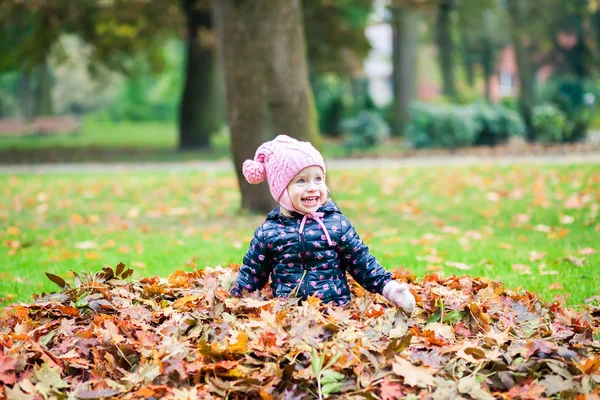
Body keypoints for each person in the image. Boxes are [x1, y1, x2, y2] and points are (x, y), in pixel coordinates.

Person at [230, 135, 416, 313]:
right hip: (289, 317)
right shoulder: (270, 232)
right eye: (301, 181)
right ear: (282, 190)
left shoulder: (337, 225)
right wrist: (234, 300)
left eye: (318, 179)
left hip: (335, 312)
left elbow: (362, 263)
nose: (312, 187)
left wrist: (390, 288)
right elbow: (253, 273)